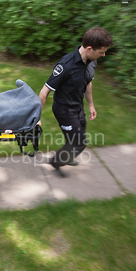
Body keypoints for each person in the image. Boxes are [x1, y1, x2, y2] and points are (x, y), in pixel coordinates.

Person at [38, 27, 113, 175]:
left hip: (78, 107)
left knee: (76, 137)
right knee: (79, 144)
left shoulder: (92, 62)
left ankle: (67, 155)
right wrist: (37, 118)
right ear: (90, 49)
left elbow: (88, 82)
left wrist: (91, 105)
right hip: (63, 110)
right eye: (101, 52)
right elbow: (44, 91)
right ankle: (56, 161)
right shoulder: (66, 65)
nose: (103, 55)